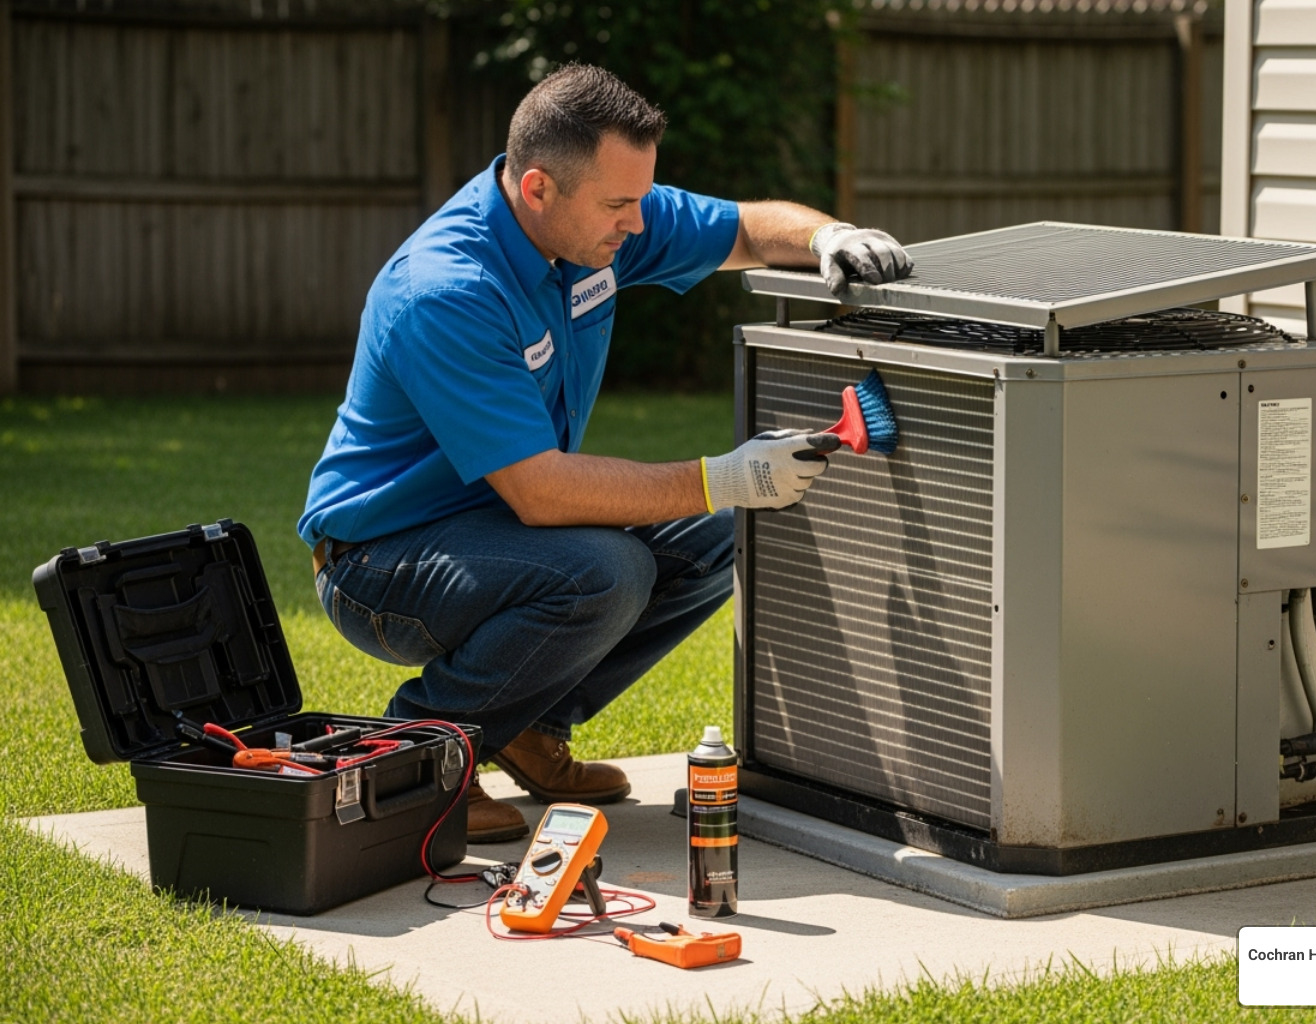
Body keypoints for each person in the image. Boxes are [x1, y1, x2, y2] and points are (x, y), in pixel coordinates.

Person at [298, 63, 911, 843]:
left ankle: (526, 725)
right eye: (619, 205)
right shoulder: (446, 290)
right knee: (608, 571)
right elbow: (542, 495)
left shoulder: (597, 230)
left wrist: (830, 234)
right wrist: (727, 475)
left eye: (643, 199)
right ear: (538, 190)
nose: (637, 223)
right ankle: (412, 755)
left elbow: (749, 228)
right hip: (379, 562)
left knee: (724, 530)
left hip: (499, 530)